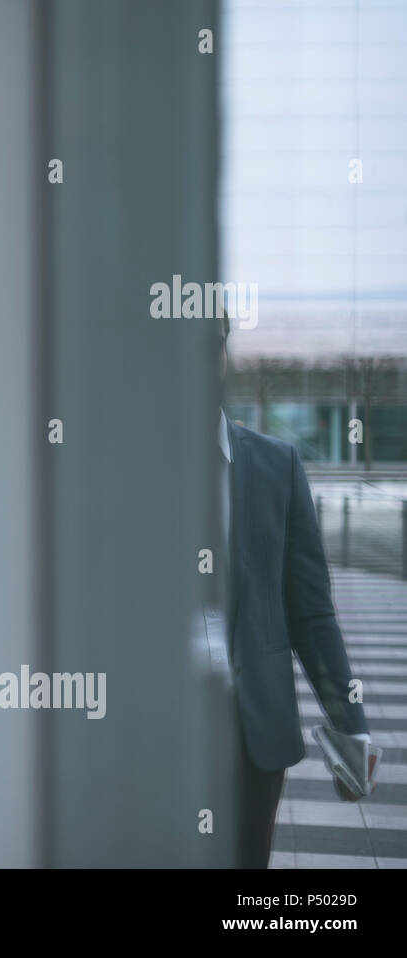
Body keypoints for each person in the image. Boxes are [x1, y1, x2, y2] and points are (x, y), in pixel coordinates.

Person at [215, 315, 373, 867]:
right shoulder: (122, 468)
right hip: (153, 728)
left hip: (250, 733)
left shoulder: (276, 464)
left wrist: (350, 723)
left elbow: (311, 612)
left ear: (222, 355)